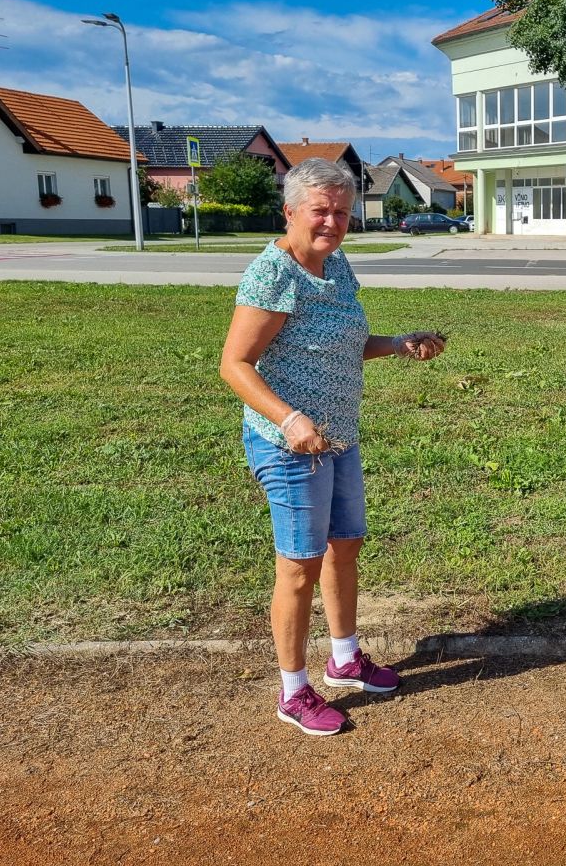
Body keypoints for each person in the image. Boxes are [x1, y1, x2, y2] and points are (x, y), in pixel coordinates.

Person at [220, 157, 446, 736]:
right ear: (290, 212)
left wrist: (398, 343)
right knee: (299, 565)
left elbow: (346, 342)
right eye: (320, 211)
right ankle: (293, 691)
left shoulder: (337, 265)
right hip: (290, 446)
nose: (332, 222)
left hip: (339, 437)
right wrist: (290, 418)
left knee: (345, 546)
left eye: (342, 212)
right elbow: (235, 365)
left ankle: (344, 659)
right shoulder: (273, 275)